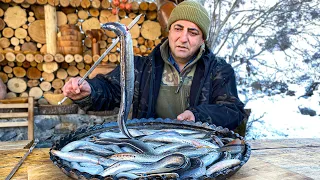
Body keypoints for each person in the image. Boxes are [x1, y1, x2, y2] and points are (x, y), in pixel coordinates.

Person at [62, 0, 246, 130]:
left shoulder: (218, 70)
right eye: (178, 28)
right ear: (169, 31)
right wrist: (90, 90)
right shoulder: (142, 67)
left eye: (192, 32)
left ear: (202, 39)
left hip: (197, 147)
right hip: (149, 146)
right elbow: (110, 89)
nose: (183, 38)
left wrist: (198, 116)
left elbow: (232, 111)